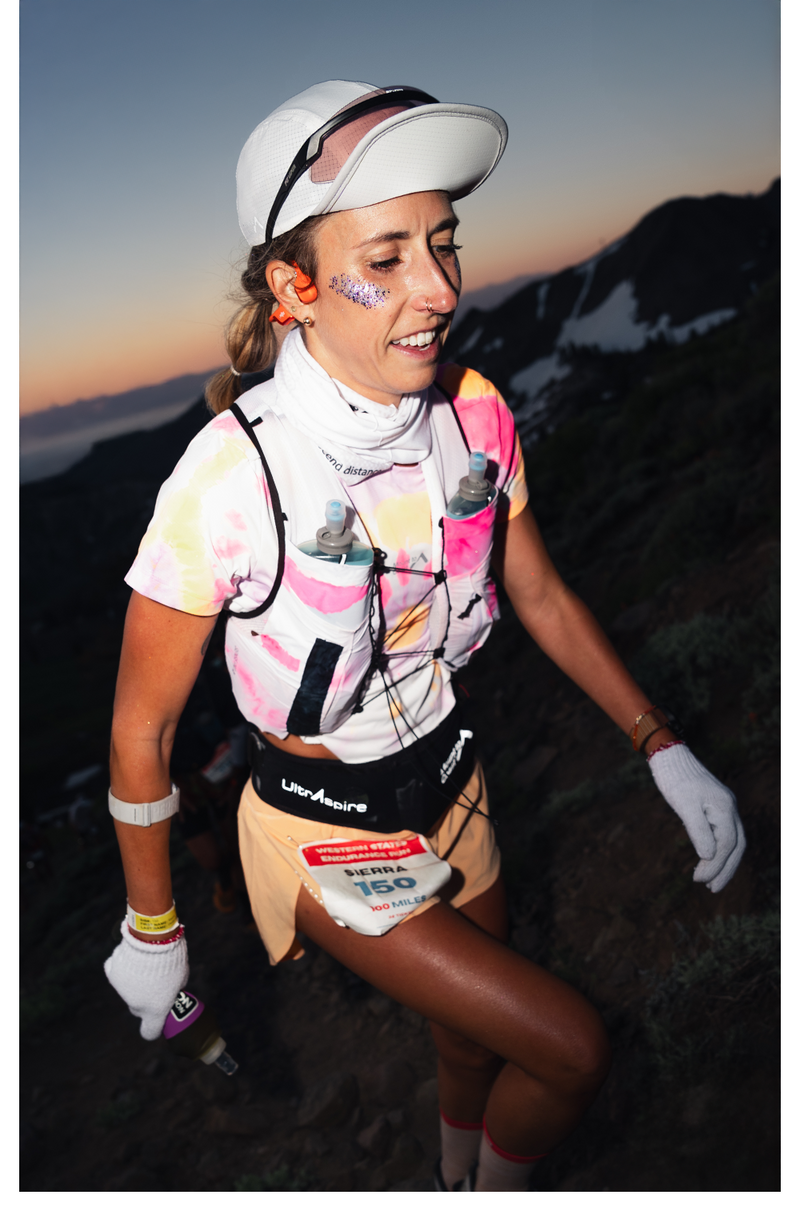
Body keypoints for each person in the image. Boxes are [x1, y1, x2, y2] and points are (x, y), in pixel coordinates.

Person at [103, 81, 746, 1192]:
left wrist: (661, 743)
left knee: (471, 1037)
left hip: (454, 782)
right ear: (293, 288)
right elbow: (140, 730)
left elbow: (541, 596)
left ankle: (452, 1177)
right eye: (387, 257)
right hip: (320, 827)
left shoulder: (473, 412)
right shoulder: (226, 483)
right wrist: (153, 927)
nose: (441, 289)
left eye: (443, 244)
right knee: (568, 1046)